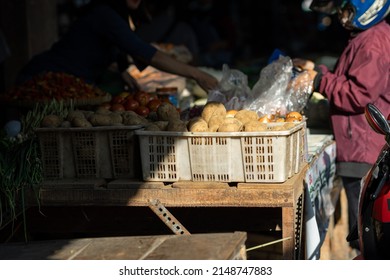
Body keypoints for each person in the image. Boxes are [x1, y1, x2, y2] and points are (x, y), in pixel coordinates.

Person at [293, 0, 390, 251]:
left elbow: (358, 94)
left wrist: (320, 81)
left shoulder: (373, 42)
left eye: (346, 10)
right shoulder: (366, 37)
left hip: (363, 147)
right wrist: (318, 71)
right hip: (360, 145)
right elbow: (349, 78)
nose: (341, 16)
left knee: (367, 239)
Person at [15, 0, 218, 94]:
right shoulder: (105, 15)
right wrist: (196, 74)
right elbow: (147, 54)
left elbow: (120, 52)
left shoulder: (118, 18)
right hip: (45, 82)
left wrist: (125, 74)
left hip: (73, 86)